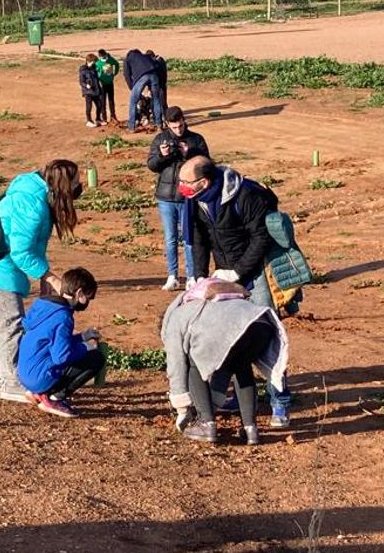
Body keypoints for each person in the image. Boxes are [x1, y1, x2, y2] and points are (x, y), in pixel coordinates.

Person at [179, 155, 297, 426]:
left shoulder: (246, 196)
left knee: (267, 336)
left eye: (186, 182)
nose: (181, 188)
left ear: (204, 181)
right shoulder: (196, 200)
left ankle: (280, 402)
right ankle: (237, 394)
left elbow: (261, 238)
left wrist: (239, 271)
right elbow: (199, 239)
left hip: (256, 276)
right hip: (224, 275)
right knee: (231, 336)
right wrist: (197, 275)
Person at [0, 160, 83, 403]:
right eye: (75, 183)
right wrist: (48, 276)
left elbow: (31, 244)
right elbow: (21, 252)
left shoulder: (33, 188)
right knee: (11, 321)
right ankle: (11, 381)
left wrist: (42, 274)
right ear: (62, 184)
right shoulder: (32, 204)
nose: (79, 186)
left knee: (1, 321)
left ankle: (0, 376)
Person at [162, 278, 289, 445]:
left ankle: (206, 424)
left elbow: (177, 365)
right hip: (261, 323)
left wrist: (182, 410)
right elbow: (223, 357)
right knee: (241, 365)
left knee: (194, 364)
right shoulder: (207, 299)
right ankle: (251, 429)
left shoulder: (176, 317)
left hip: (233, 326)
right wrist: (214, 399)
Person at [16, 267, 106, 418]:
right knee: (96, 359)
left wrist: (83, 336)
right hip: (39, 377)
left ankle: (37, 391)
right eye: (87, 298)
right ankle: (54, 397)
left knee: (79, 352)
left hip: (26, 374)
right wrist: (87, 346)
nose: (87, 302)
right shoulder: (64, 318)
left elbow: (53, 341)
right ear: (79, 293)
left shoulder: (45, 305)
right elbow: (61, 356)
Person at [146, 107, 209, 292]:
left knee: (189, 237)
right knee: (170, 238)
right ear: (167, 125)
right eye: (174, 127)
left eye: (181, 125)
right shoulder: (160, 140)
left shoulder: (196, 139)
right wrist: (163, 155)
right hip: (166, 197)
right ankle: (172, 275)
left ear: (184, 121)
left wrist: (190, 153)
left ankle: (191, 276)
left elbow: (206, 165)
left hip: (187, 197)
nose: (179, 129)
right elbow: (152, 165)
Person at [123, 48, 161, 133]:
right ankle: (159, 125)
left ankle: (131, 127)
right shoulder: (145, 56)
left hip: (142, 77)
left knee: (133, 102)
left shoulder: (128, 58)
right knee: (156, 100)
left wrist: (132, 88)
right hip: (154, 75)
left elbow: (126, 75)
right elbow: (156, 65)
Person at [79, 53, 105, 128]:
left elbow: (97, 78)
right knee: (89, 107)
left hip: (96, 90)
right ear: (88, 61)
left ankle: (98, 119)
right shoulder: (83, 70)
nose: (95, 63)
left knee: (99, 105)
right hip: (88, 92)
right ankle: (89, 121)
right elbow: (81, 81)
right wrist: (86, 85)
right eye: (93, 61)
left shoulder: (94, 68)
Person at [96, 49, 121, 125]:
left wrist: (114, 73)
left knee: (111, 100)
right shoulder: (98, 63)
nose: (103, 57)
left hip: (110, 83)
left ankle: (113, 116)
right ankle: (104, 118)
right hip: (102, 84)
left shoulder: (110, 60)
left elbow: (116, 64)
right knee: (103, 101)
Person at [146, 49, 168, 117]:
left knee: (162, 103)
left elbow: (160, 74)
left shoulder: (158, 62)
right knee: (158, 102)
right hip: (160, 85)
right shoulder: (160, 60)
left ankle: (164, 117)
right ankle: (159, 116)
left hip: (160, 85)